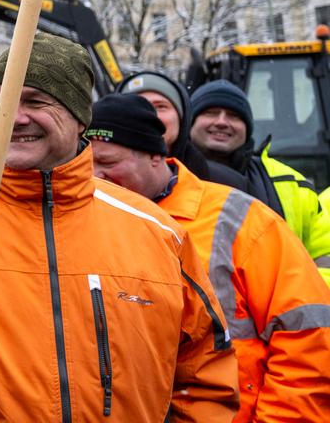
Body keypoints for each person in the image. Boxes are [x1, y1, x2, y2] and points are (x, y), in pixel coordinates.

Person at [0, 32, 239, 420]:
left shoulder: (157, 232)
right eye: (0, 99)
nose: (14, 115)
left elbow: (204, 375)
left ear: (79, 118)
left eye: (36, 100)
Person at [88, 94, 330, 421]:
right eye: (85, 165)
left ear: (155, 157)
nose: (94, 177)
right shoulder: (80, 222)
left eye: (108, 163)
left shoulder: (242, 222)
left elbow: (310, 340)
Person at [190, 79, 330, 285]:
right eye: (210, 113)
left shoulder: (293, 185)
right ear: (189, 122)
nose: (221, 121)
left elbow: (324, 259)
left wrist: (291, 298)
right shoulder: (163, 182)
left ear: (247, 128)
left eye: (234, 116)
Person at [117, 71, 251, 190]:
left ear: (182, 119)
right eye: (135, 105)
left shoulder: (227, 184)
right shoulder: (99, 178)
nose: (150, 114)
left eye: (161, 106)